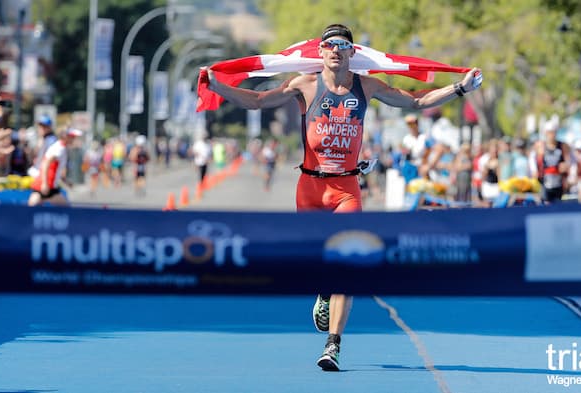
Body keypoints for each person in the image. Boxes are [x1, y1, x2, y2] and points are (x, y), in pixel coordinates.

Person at [200, 23, 482, 371]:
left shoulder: (367, 86)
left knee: (346, 264)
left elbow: (416, 101)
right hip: (310, 188)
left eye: (342, 46)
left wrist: (459, 87)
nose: (335, 50)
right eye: (329, 45)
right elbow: (258, 101)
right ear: (320, 52)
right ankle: (322, 290)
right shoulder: (304, 84)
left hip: (346, 189)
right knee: (318, 263)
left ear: (352, 53)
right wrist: (217, 86)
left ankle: (332, 345)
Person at [28, 127, 83, 206]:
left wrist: (66, 181)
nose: (74, 139)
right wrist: (45, 183)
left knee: (33, 207)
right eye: (72, 137)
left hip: (50, 186)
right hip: (45, 185)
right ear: (65, 137)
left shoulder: (62, 148)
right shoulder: (59, 149)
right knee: (32, 208)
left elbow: (57, 169)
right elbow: (45, 164)